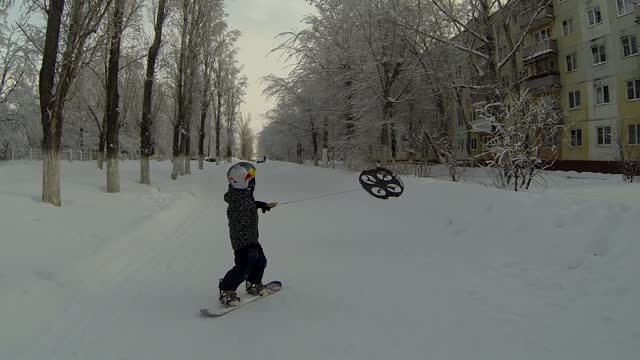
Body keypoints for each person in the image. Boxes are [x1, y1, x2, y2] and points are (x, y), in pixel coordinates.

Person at [218, 161, 277, 307]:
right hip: (242, 243)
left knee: (261, 262)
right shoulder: (238, 203)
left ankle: (253, 283)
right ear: (244, 182)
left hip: (252, 240)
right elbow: (240, 214)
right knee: (243, 269)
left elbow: (247, 204)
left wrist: (260, 204)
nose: (253, 181)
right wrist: (247, 244)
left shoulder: (242, 195)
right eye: (251, 178)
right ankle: (226, 288)